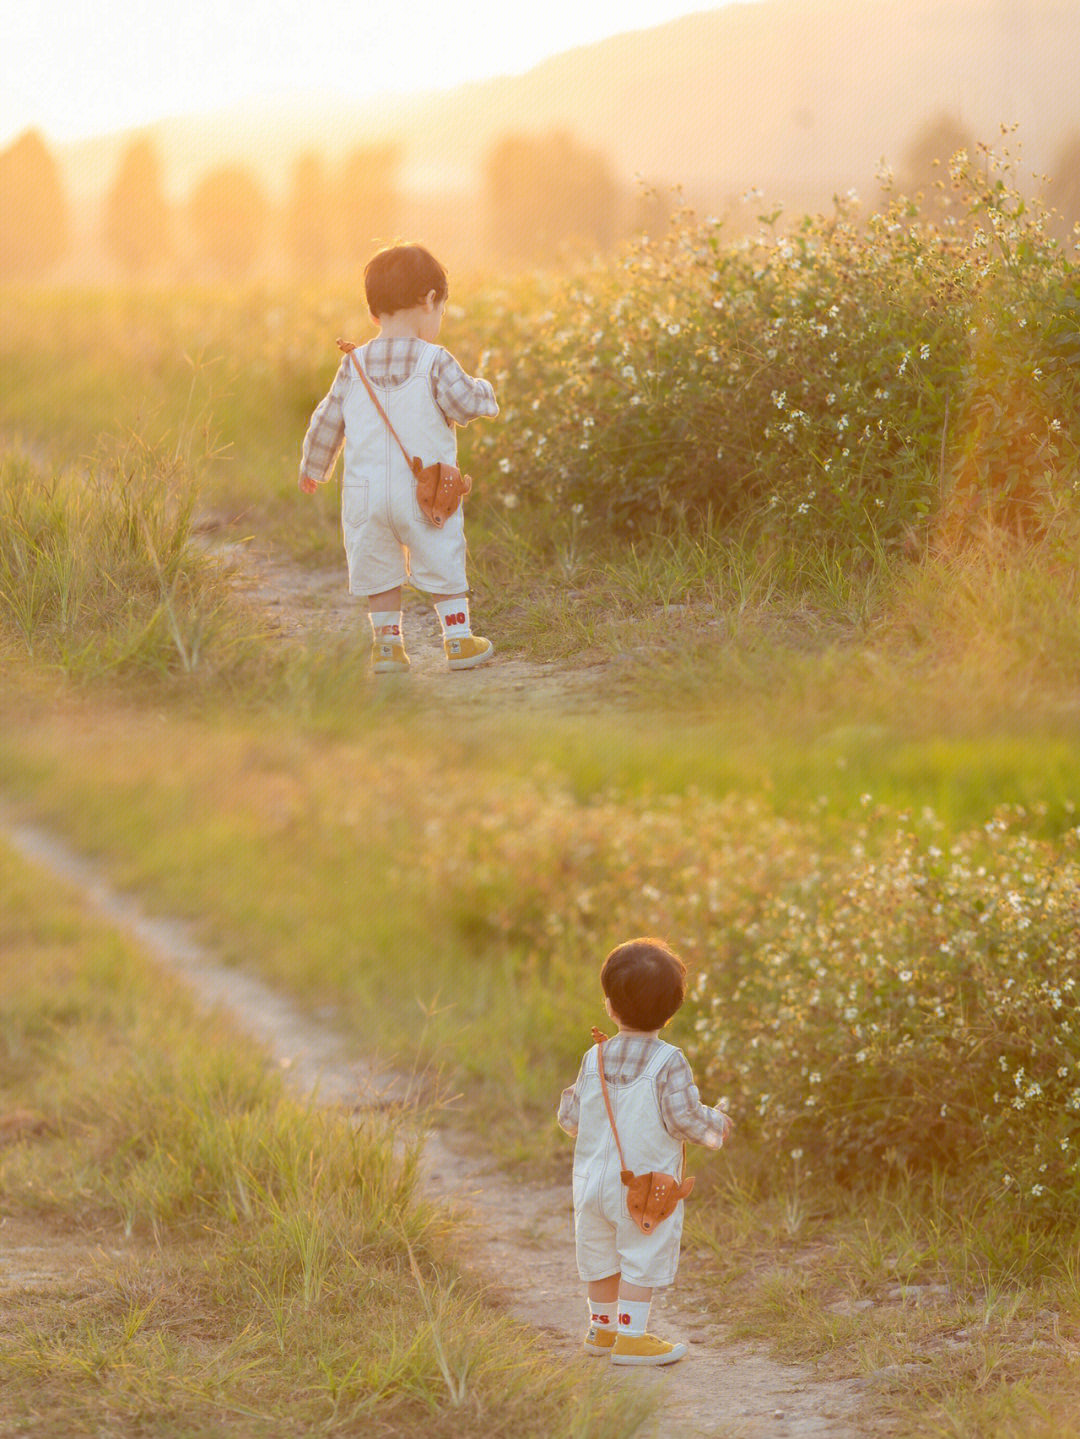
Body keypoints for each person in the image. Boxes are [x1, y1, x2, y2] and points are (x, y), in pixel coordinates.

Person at [299, 243, 499, 672]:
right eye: (440, 309)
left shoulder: (352, 363)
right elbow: (464, 404)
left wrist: (314, 468)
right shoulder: (435, 360)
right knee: (442, 551)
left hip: (365, 494)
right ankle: (459, 640)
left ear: (374, 314)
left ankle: (388, 647)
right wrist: (487, 392)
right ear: (430, 300)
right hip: (424, 491)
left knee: (378, 565)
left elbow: (327, 418)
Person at [557, 937, 733, 1366]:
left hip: (592, 1183)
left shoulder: (593, 1056)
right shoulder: (668, 1061)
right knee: (641, 1254)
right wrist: (719, 1124)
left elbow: (570, 1116)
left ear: (610, 1006)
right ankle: (632, 1338)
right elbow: (684, 1119)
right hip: (643, 1187)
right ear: (672, 1010)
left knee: (599, 1254)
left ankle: (602, 1330)